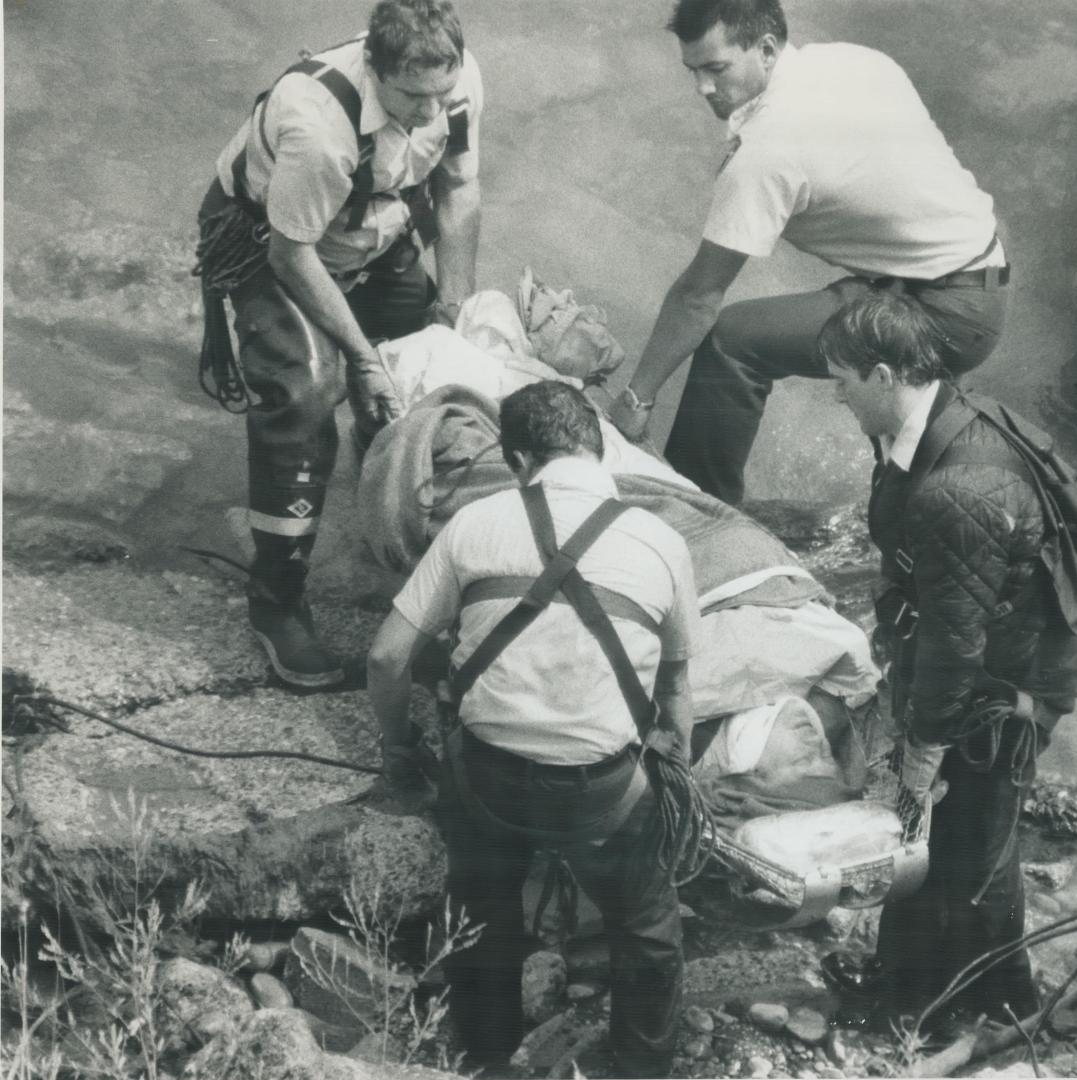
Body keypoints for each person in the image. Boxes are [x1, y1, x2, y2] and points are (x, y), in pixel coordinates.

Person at [367, 381, 699, 1077]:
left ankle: (486, 1055)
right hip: (603, 793)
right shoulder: (663, 540)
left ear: (518, 460)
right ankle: (642, 1066)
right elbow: (674, 688)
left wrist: (400, 750)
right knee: (646, 926)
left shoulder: (475, 523)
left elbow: (388, 655)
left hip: (488, 782)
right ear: (600, 449)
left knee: (484, 911)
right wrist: (673, 774)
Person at [599, 0, 1008, 506]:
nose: (703, 88)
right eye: (693, 71)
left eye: (716, 68)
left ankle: (698, 510)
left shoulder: (769, 152)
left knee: (732, 342)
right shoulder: (855, 61)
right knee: (896, 452)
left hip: (940, 311)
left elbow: (697, 297)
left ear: (766, 49)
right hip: (978, 274)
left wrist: (636, 400)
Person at [815, 293, 1077, 1033]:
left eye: (840, 381)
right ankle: (915, 985)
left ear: (881, 375)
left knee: (970, 837)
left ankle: (989, 1007)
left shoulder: (958, 485)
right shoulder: (932, 424)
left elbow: (956, 645)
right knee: (944, 829)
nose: (836, 397)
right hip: (989, 653)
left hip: (1000, 682)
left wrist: (922, 748)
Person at [194, 0, 483, 688]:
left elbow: (460, 186)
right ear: (374, 66)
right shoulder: (319, 123)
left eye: (440, 93)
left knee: (435, 377)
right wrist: (361, 356)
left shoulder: (456, 81)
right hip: (273, 241)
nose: (430, 110)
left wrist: (454, 304)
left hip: (373, 227)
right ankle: (276, 601)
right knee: (305, 393)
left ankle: (418, 564)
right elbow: (295, 255)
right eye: (413, 96)